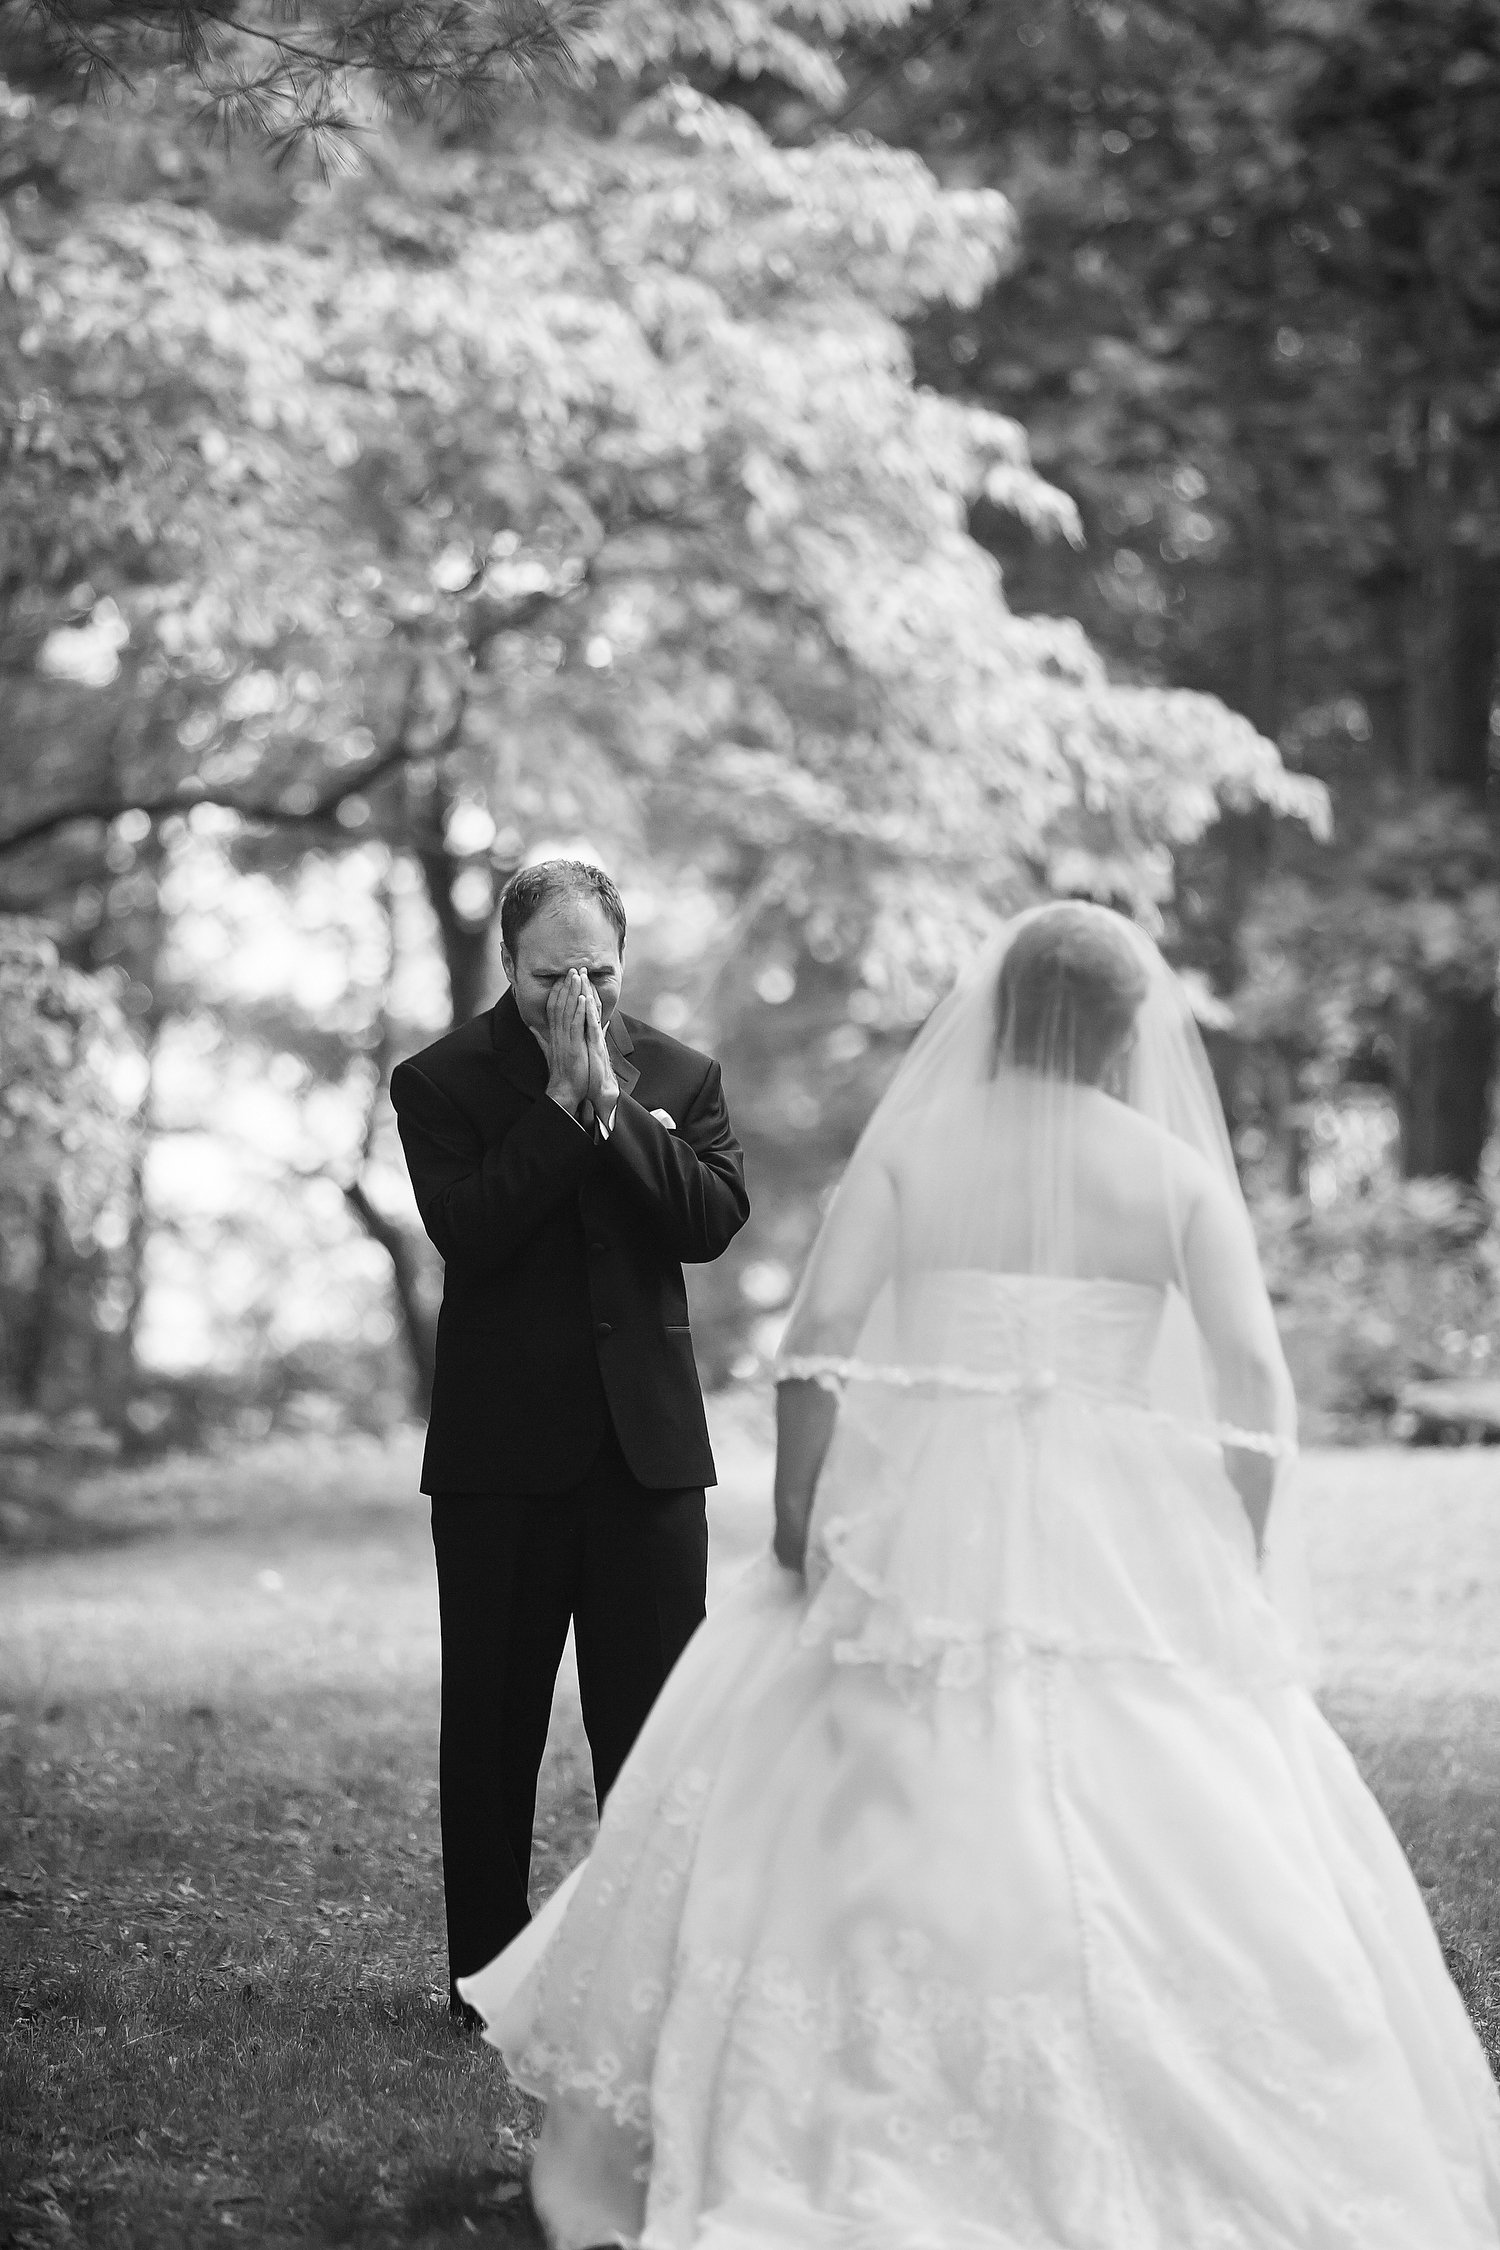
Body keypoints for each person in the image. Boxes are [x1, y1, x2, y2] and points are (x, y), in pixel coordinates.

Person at [458, 901, 1500, 2248]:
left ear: (1000, 1015)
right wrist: (1224, 1543)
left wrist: (800, 1519)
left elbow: (818, 1350)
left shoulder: (920, 1149)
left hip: (916, 1521)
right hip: (1118, 1532)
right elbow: (1254, 1390)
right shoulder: (1174, 1174)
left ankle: (847, 2097)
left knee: (853, 1777)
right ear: (1131, 1030)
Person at [390, 858, 749, 2023]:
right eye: (553, 974)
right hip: (502, 1459)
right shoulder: (437, 1082)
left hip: (646, 1460)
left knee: (652, 1734)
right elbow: (473, 1233)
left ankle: (648, 1970)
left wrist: (612, 1110)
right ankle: (483, 1981)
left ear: (624, 959)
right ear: (510, 963)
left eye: (597, 969)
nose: (577, 994)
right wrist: (553, 1106)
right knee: (491, 1728)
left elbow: (705, 1224)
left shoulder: (684, 1077)